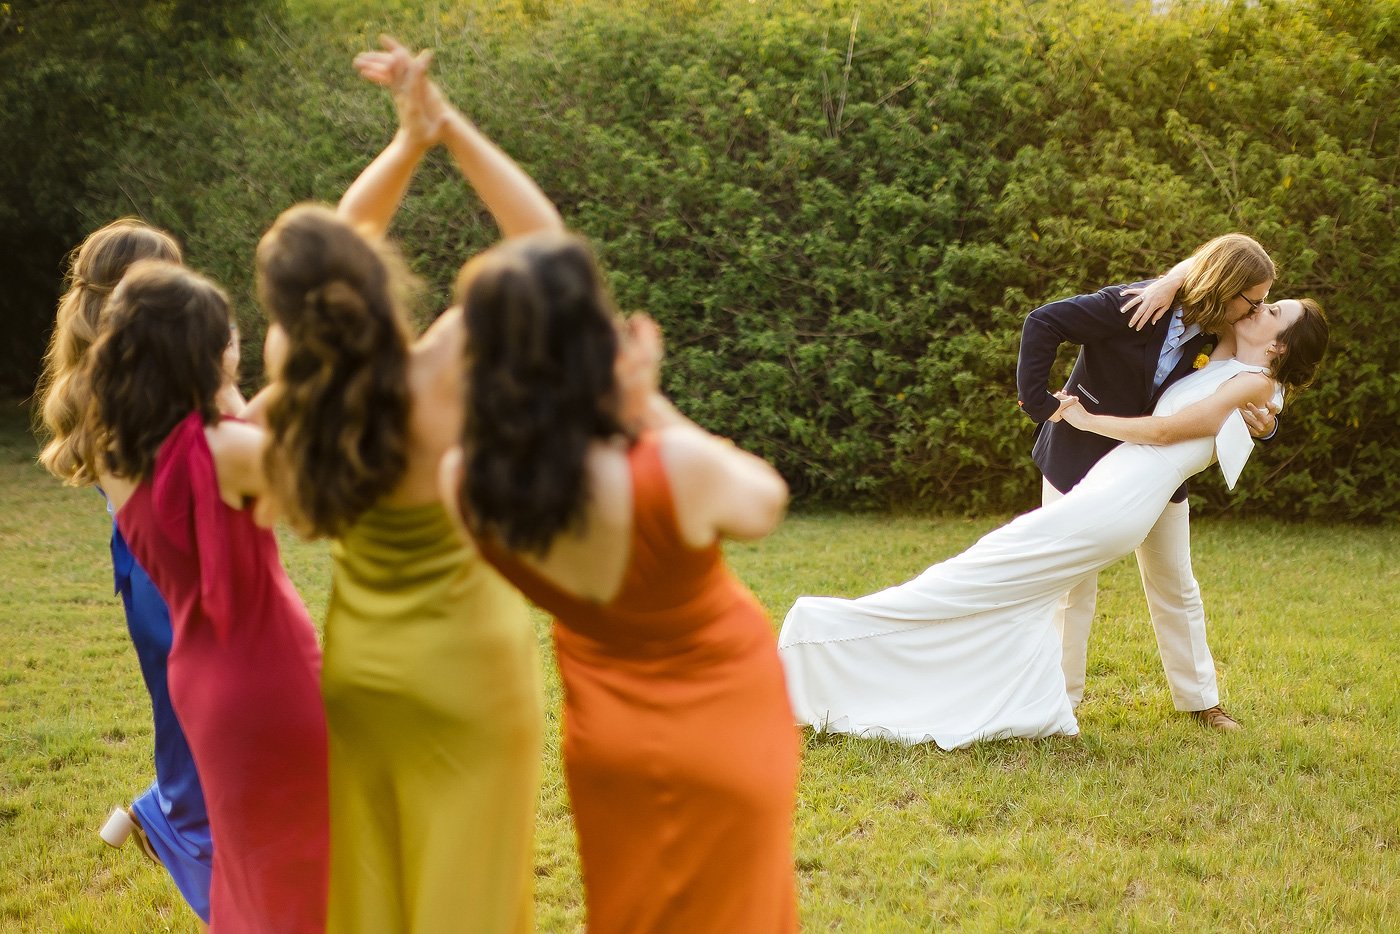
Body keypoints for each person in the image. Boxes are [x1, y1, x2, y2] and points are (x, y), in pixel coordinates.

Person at [254, 39, 553, 933]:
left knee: (380, 888)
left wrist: (405, 146)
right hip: (468, 669)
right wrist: (444, 129)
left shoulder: (293, 376)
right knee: (470, 893)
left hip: (365, 671)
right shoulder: (439, 375)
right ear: (374, 279)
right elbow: (544, 246)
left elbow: (340, 246)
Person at [439, 234, 800, 933]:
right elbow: (766, 498)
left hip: (607, 742)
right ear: (592, 347)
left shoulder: (466, 484)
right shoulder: (671, 470)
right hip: (725, 723)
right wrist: (648, 403)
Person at [779, 296, 1328, 749]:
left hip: (1129, 491)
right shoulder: (1181, 316)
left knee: (1161, 587)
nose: (1258, 306)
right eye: (1258, 299)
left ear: (1278, 345)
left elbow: (1183, 426)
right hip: (1100, 479)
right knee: (1008, 580)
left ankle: (829, 639)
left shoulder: (1252, 373)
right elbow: (1210, 289)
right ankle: (1049, 695)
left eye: (1271, 309)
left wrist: (1089, 418)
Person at [80, 260, 328, 932]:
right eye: (230, 339)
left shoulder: (117, 454)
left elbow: (234, 431)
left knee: (250, 865)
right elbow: (310, 504)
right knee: (314, 865)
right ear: (206, 353)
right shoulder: (229, 451)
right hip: (268, 673)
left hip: (201, 684)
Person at [1016, 234, 1280, 731]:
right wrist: (1037, 402)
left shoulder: (1221, 336)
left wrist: (1266, 424)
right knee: (1072, 588)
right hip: (1080, 457)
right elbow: (1043, 321)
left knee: (1175, 582)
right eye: (1254, 300)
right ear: (1225, 288)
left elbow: (1252, 376)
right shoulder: (1134, 304)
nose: (1258, 310)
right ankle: (1059, 705)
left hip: (1158, 471)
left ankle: (1202, 702)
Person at [33, 218, 217, 928]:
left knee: (197, 732)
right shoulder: (119, 392)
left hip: (162, 578)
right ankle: (175, 827)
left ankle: (158, 809)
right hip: (168, 584)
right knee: (208, 737)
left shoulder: (127, 381)